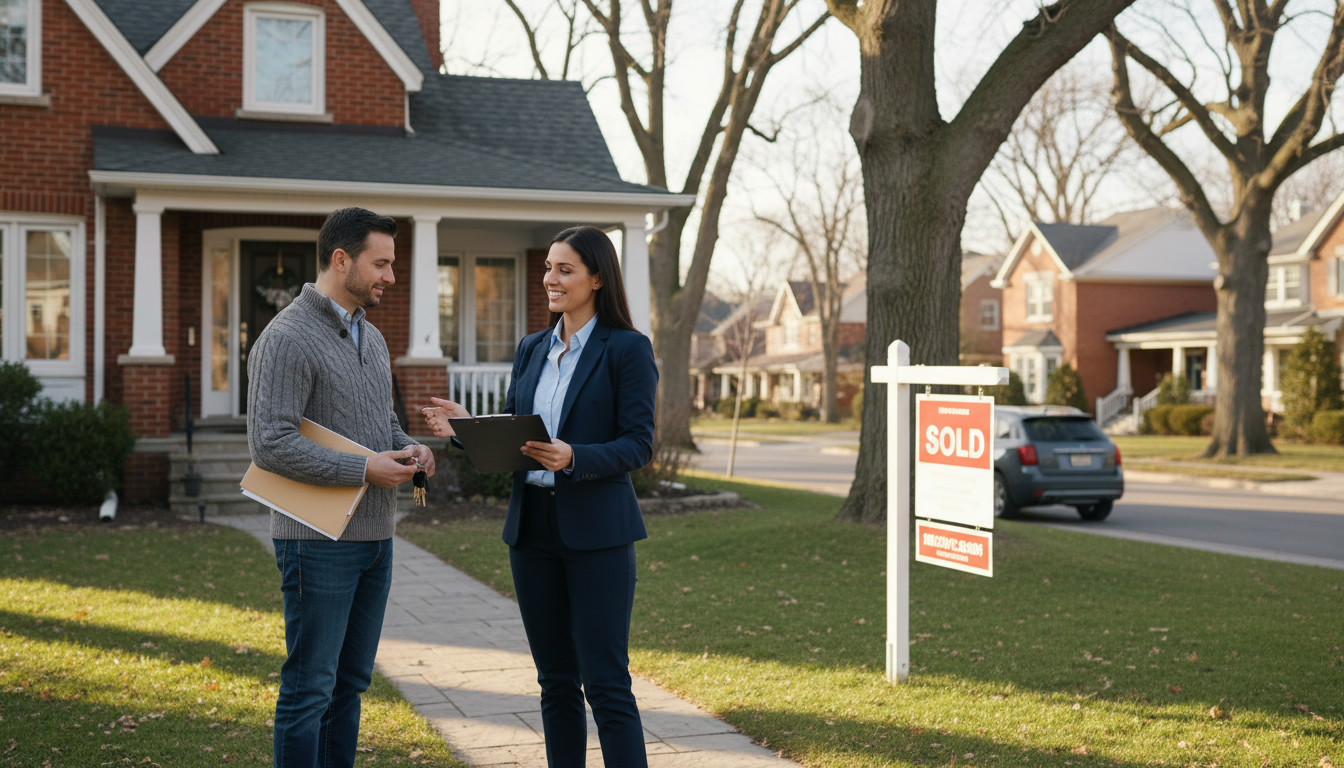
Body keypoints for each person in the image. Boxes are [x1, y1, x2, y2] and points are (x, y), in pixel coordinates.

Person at [422, 225, 658, 767]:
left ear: (597, 278)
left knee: (606, 684)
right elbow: (517, 433)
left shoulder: (627, 349)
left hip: (598, 532)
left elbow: (638, 444)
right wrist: (467, 428)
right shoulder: (531, 348)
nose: (550, 278)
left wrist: (576, 457)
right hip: (531, 531)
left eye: (565, 269)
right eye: (548, 267)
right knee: (554, 681)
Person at [247, 206, 436, 768]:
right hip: (315, 545)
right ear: (340, 259)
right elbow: (271, 443)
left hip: (377, 538)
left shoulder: (372, 337)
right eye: (381, 264)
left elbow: (383, 427)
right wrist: (362, 470)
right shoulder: (285, 337)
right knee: (310, 690)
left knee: (350, 685)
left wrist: (412, 449)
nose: (390, 277)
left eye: (392, 265)